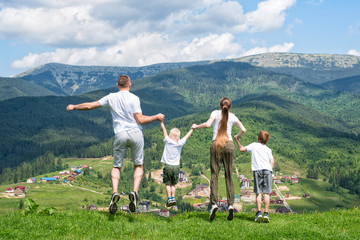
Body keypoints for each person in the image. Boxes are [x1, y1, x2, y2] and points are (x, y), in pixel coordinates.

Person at [66, 74, 164, 214]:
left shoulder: (111, 97)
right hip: (136, 133)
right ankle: (135, 193)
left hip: (120, 134)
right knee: (138, 165)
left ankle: (115, 193)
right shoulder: (134, 98)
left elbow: (89, 106)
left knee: (116, 166)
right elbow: (140, 120)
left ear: (117, 85)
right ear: (130, 85)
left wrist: (74, 106)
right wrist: (156, 117)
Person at [191, 97, 246, 221]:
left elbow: (207, 124)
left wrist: (195, 126)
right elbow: (243, 130)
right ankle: (231, 205)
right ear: (229, 106)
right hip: (229, 144)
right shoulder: (233, 116)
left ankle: (214, 204)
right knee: (229, 175)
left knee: (214, 175)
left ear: (220, 105)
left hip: (216, 144)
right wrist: (237, 137)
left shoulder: (215, 113)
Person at [234, 130, 274, 223]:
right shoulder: (268, 150)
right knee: (267, 193)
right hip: (268, 170)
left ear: (258, 138)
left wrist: (237, 141)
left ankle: (259, 213)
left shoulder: (254, 145)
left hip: (257, 170)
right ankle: (266, 214)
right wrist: (270, 170)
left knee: (258, 193)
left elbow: (242, 149)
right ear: (267, 140)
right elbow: (272, 162)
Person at [160, 121, 194, 207]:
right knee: (173, 184)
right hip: (176, 167)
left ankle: (168, 198)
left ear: (170, 136)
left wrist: (161, 122)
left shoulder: (168, 141)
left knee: (167, 184)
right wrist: (192, 129)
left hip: (168, 166)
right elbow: (186, 137)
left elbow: (164, 131)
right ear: (178, 137)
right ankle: (173, 197)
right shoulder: (180, 143)